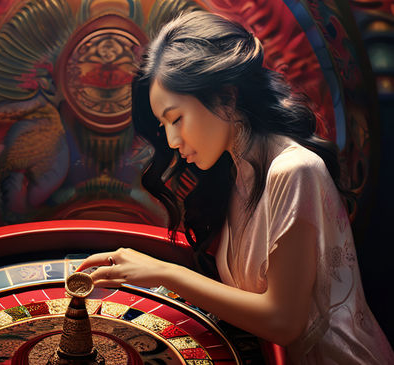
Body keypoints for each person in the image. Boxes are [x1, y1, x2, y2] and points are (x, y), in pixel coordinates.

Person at [76, 10, 394, 365]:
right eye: (163, 124)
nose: (171, 139)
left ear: (227, 97)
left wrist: (163, 272)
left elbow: (283, 322)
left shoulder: (295, 170)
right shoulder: (236, 169)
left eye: (176, 117)